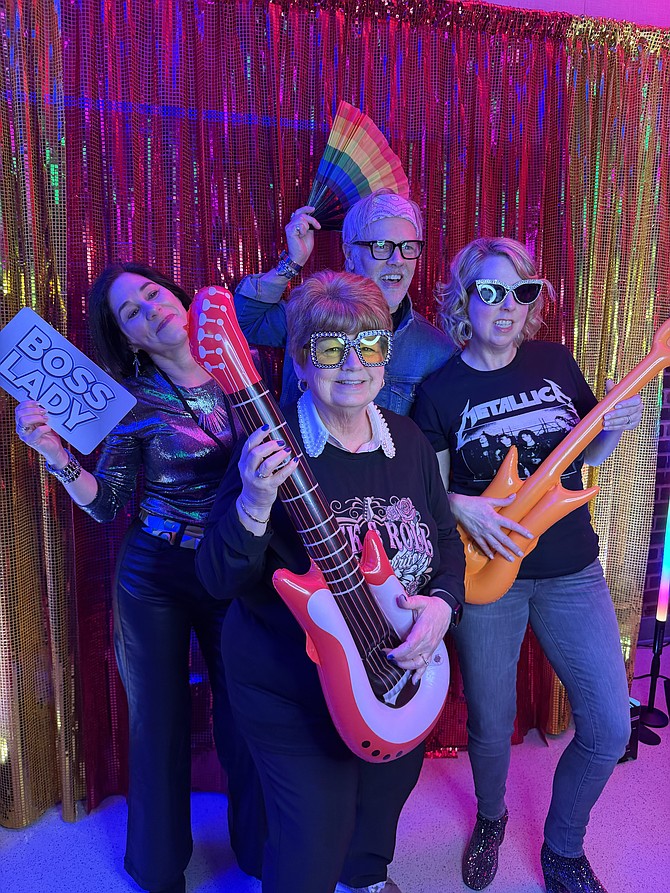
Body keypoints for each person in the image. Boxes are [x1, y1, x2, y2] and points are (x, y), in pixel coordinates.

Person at [196, 270, 465, 893]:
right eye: (329, 348)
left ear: (387, 355)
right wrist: (255, 504)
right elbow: (216, 579)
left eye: (369, 345)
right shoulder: (269, 449)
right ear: (300, 359)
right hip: (289, 680)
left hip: (394, 663)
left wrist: (443, 606)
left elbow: (445, 541)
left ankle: (368, 876)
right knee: (314, 833)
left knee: (383, 795)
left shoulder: (409, 440)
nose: (353, 364)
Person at [14, 263, 263, 893]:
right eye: (131, 312)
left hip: (230, 564)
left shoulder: (245, 366)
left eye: (152, 292)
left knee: (248, 709)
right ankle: (158, 868)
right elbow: (106, 503)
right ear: (129, 340)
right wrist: (56, 454)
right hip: (153, 572)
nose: (150, 308)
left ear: (177, 295)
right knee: (157, 719)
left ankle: (263, 849)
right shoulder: (131, 405)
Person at [411, 237, 643, 893]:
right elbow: (427, 491)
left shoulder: (555, 361)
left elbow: (587, 456)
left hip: (573, 569)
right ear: (464, 298)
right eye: (490, 291)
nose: (507, 305)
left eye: (522, 291)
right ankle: (490, 816)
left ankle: (563, 848)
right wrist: (464, 506)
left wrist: (616, 425)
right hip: (488, 577)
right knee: (490, 720)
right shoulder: (440, 390)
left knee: (608, 724)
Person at [233, 188, 455, 412]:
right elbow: (243, 323)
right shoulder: (309, 314)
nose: (397, 260)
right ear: (349, 255)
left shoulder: (435, 351)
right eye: (380, 246)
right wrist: (293, 261)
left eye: (408, 247)